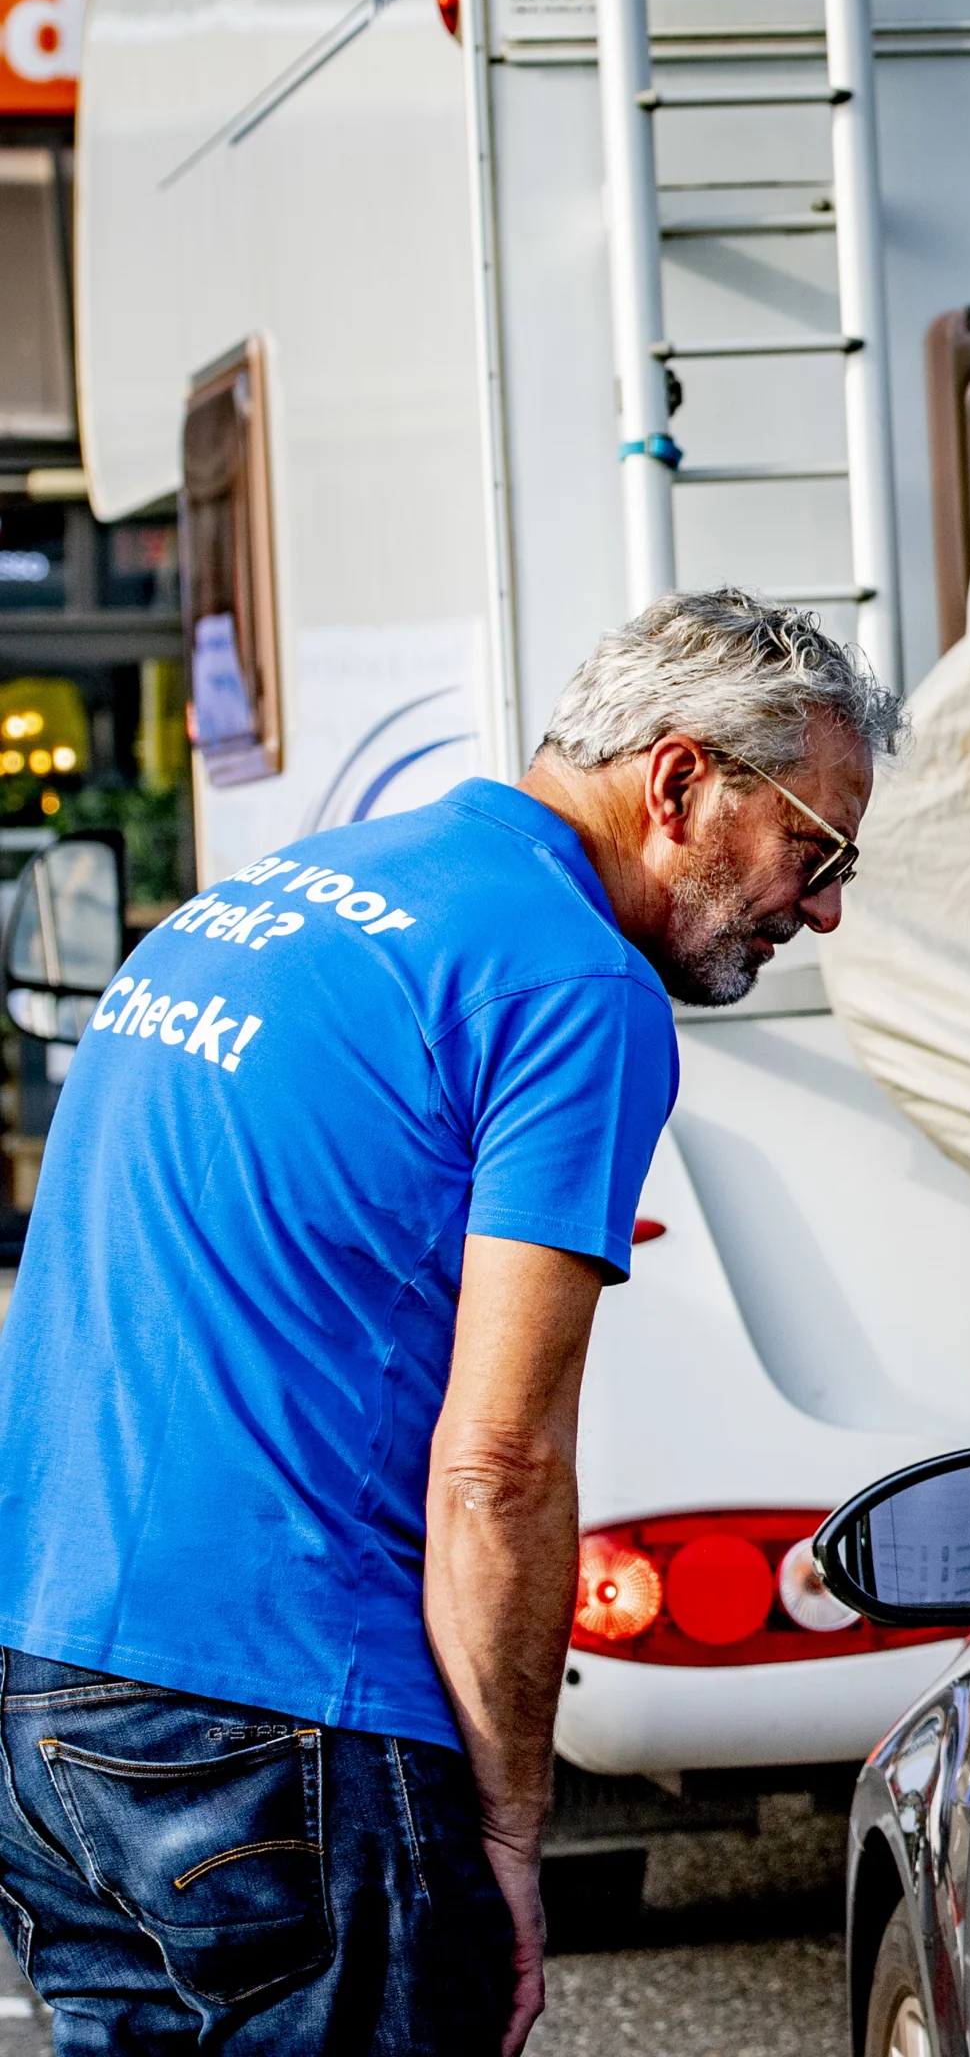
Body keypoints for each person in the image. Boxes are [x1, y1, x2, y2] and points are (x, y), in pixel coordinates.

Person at [0, 590, 900, 2055]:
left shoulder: (255, 904)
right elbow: (502, 1466)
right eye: (818, 848)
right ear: (678, 783)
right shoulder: (576, 983)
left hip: (47, 1683)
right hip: (279, 1714)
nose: (825, 906)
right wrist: (507, 1833)